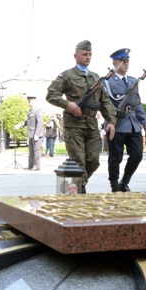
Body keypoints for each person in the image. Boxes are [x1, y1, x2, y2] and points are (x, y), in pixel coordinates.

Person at [46, 40, 117, 193]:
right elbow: (51, 94)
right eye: (84, 54)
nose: (88, 57)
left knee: (93, 160)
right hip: (74, 126)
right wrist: (67, 104)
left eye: (90, 54)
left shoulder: (95, 77)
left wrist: (111, 120)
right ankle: (79, 190)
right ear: (75, 55)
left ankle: (79, 183)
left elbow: (105, 101)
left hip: (91, 125)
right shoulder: (66, 76)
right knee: (78, 161)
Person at [103, 48, 146, 192]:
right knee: (115, 157)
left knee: (137, 154)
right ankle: (114, 184)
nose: (126, 63)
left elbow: (137, 102)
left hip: (133, 124)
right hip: (116, 124)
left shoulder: (133, 81)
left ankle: (125, 181)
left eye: (127, 61)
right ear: (114, 62)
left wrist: (144, 120)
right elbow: (104, 103)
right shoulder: (107, 82)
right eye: (123, 61)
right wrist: (110, 119)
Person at [17, 96, 44, 170]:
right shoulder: (30, 111)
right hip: (30, 134)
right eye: (28, 101)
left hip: (36, 134)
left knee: (36, 151)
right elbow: (27, 121)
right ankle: (30, 165)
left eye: (29, 101)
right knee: (31, 151)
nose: (28, 103)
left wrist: (36, 134)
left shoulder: (38, 110)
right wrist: (20, 125)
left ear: (34, 101)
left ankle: (36, 166)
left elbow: (39, 123)